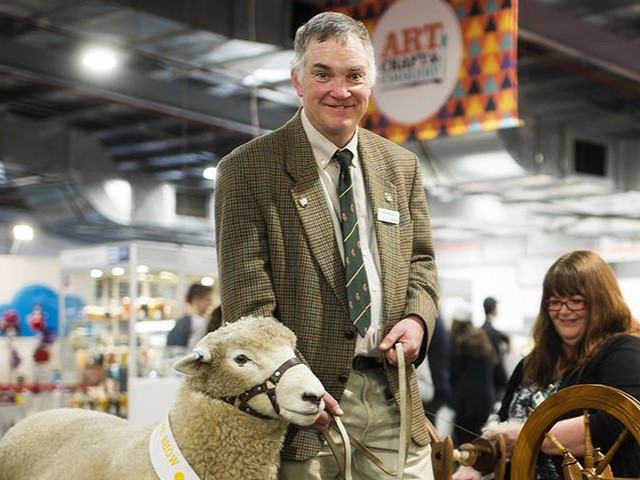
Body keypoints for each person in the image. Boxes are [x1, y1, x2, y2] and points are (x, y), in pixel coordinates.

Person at [214, 11, 439, 480]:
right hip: (302, 411)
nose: (341, 90)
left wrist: (418, 319)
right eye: (323, 74)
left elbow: (420, 261)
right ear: (298, 80)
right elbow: (249, 309)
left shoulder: (400, 165)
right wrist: (295, 386)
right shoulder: (247, 170)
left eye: (354, 75)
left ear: (371, 81)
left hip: (394, 398)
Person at [454, 250, 640, 479]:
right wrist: (476, 461)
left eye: (575, 301)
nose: (563, 310)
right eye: (555, 302)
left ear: (601, 301)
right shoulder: (533, 362)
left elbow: (618, 422)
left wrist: (528, 436)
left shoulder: (624, 351)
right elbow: (502, 422)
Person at [449, 306, 497, 446]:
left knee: (464, 446)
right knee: (480, 443)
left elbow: (452, 372)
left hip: (465, 406)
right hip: (485, 401)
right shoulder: (483, 339)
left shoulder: (458, 342)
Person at [166, 283, 213, 351]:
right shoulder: (198, 322)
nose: (210, 303)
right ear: (196, 300)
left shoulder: (183, 321)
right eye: (208, 299)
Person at [480, 297, 510, 401]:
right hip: (494, 383)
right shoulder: (492, 333)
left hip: (485, 380)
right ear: (493, 308)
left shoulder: (482, 330)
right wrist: (505, 384)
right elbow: (497, 361)